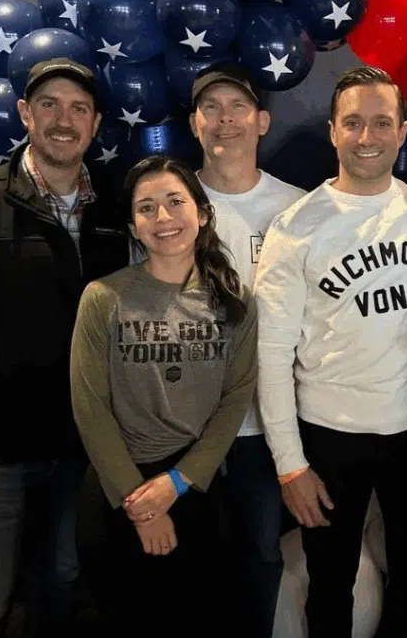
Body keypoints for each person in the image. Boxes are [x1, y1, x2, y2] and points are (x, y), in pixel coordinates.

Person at [253, 66, 407, 637]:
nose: (367, 136)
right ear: (332, 132)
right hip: (329, 435)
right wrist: (290, 465)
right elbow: (271, 354)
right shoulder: (295, 228)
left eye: (381, 122)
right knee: (330, 585)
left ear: (404, 130)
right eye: (353, 123)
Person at [0, 58, 129, 637]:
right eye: (49, 105)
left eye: (78, 108)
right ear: (24, 115)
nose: (64, 120)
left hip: (79, 443)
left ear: (94, 124)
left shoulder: (115, 210)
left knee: (61, 581)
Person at [69, 155, 257, 634]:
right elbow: (90, 407)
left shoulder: (235, 301)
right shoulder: (103, 298)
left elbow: (236, 399)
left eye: (175, 202)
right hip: (118, 491)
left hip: (194, 486)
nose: (163, 218)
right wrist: (141, 505)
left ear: (202, 213)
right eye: (146, 208)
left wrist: (176, 484)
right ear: (133, 227)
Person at [188, 62, 305, 637]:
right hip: (189, 424)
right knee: (196, 558)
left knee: (263, 553)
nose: (225, 119)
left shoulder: (300, 208)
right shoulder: (169, 204)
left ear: (261, 121)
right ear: (194, 123)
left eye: (238, 107)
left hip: (267, 424)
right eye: (212, 108)